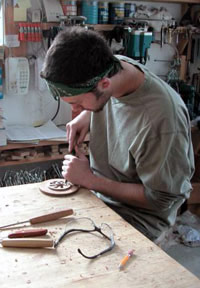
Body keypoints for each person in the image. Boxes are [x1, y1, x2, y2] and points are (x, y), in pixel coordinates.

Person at [40, 26, 194, 242]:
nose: (74, 111)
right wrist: (87, 114)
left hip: (140, 220)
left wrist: (89, 180)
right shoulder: (111, 66)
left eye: (77, 103)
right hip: (101, 199)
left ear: (104, 85)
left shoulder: (161, 119)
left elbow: (160, 199)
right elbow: (104, 97)